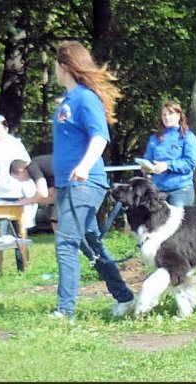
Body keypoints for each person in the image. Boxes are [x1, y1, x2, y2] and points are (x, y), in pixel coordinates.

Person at [51, 40, 134, 321]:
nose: (53, 69)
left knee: (66, 242)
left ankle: (65, 311)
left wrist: (84, 166)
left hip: (85, 184)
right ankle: (124, 297)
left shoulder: (86, 98)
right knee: (91, 244)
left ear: (64, 66)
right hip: (68, 186)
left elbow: (100, 137)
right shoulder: (68, 101)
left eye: (55, 64)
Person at [140, 100, 196, 207]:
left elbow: (190, 163)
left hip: (181, 191)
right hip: (158, 191)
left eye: (170, 113)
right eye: (164, 114)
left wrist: (167, 165)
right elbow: (147, 160)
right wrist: (147, 170)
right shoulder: (154, 139)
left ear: (178, 115)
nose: (167, 117)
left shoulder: (188, 137)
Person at [10, 155, 58, 232]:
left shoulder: (32, 166)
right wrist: (34, 200)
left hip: (72, 185)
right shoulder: (44, 168)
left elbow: (42, 193)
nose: (20, 181)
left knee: (56, 221)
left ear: (20, 170)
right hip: (69, 185)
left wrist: (22, 202)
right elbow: (53, 195)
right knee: (56, 220)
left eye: (17, 178)